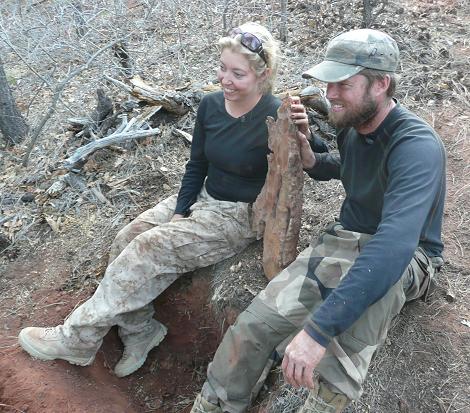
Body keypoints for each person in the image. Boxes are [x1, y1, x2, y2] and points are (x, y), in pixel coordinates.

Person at [18, 22, 316, 378]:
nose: (226, 79)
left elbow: (318, 167)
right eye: (222, 67)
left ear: (262, 73)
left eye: (238, 73)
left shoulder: (276, 115)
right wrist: (179, 210)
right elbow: (198, 164)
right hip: (202, 195)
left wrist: (305, 137)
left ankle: (77, 337)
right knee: (128, 237)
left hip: (238, 216)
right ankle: (141, 331)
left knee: (150, 248)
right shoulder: (210, 106)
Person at [190, 29, 446, 413]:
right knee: (253, 327)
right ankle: (215, 405)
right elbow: (352, 170)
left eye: (343, 84)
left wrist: (317, 331)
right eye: (329, 82)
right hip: (343, 240)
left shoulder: (416, 146)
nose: (331, 94)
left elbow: (395, 244)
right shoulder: (354, 127)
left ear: (381, 84)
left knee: (340, 350)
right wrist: (314, 160)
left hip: (409, 257)